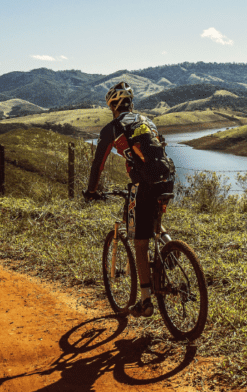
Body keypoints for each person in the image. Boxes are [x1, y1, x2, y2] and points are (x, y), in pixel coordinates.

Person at [84, 82, 175, 318]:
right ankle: (171, 247)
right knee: (154, 224)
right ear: (130, 104)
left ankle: (145, 302)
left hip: (143, 185)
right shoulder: (147, 121)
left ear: (112, 107)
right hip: (166, 179)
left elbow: (98, 164)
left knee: (140, 242)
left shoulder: (112, 128)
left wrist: (91, 190)